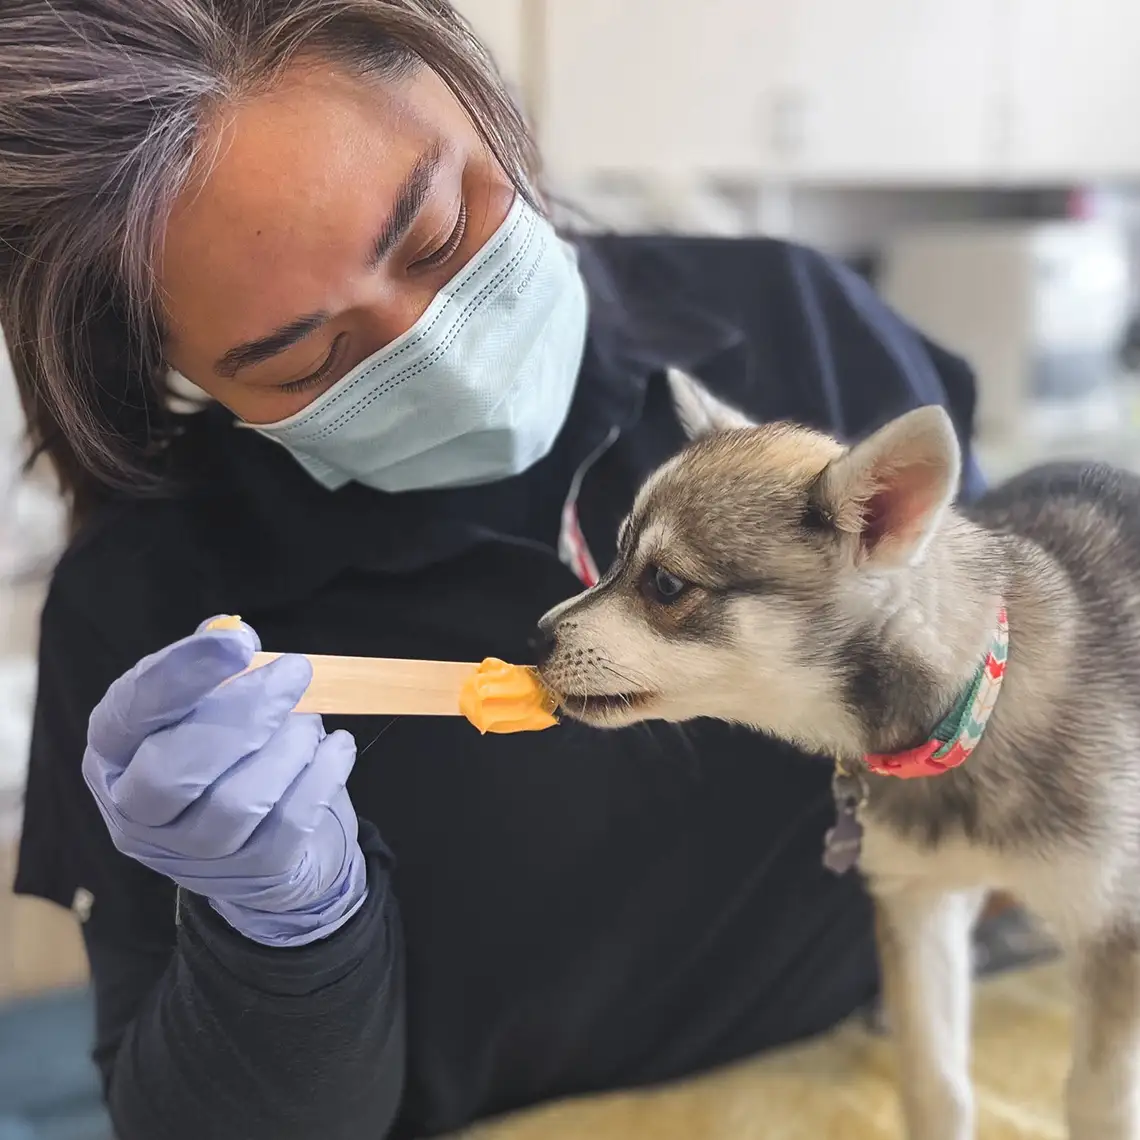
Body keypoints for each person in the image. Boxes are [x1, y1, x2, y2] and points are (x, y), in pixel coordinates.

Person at [4, 3, 987, 1138]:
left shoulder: (796, 325)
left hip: (858, 1077)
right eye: (308, 359)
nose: (441, 353)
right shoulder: (153, 608)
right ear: (180, 375)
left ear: (473, 96)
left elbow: (1011, 686)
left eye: (435, 236)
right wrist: (284, 932)